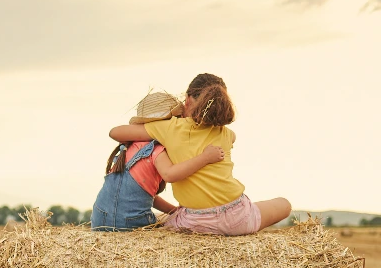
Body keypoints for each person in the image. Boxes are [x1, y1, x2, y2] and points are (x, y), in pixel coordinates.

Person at [108, 74, 291, 235]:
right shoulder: (225, 133)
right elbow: (233, 138)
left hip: (194, 222)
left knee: (162, 223)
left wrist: (157, 128)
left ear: (187, 100)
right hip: (238, 218)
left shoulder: (169, 128)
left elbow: (116, 132)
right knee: (284, 204)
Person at [92, 91, 224, 231]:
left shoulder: (130, 147)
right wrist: (205, 158)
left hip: (99, 218)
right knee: (180, 227)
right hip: (129, 222)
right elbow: (169, 174)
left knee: (166, 218)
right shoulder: (156, 149)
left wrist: (174, 211)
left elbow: (140, 196)